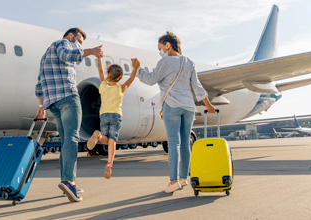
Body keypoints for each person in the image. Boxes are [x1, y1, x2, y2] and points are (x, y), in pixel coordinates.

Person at [133, 32, 216, 193]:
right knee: (185, 144)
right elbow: (197, 86)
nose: (160, 51)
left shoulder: (165, 61)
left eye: (160, 48)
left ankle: (173, 182)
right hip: (189, 107)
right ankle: (183, 178)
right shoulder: (189, 62)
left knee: (174, 144)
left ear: (168, 45)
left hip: (172, 106)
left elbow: (150, 79)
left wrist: (138, 69)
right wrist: (208, 104)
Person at [35, 27, 102, 202]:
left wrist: (40, 106)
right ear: (71, 36)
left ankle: (68, 180)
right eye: (79, 41)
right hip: (68, 98)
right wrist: (91, 51)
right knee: (72, 139)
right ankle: (69, 180)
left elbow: (39, 84)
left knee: (66, 142)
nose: (79, 45)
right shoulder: (63, 43)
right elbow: (68, 55)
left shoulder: (45, 56)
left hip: (53, 103)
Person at [86, 52, 139, 179]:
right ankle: (110, 163)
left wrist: (99, 58)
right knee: (112, 140)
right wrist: (135, 68)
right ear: (120, 78)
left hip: (104, 115)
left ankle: (99, 137)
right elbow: (131, 80)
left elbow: (100, 71)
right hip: (116, 116)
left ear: (108, 74)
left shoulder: (103, 86)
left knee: (106, 139)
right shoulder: (120, 88)